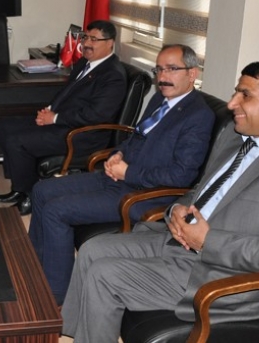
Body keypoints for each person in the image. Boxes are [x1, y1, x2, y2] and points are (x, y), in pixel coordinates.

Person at [61, 61, 259, 343]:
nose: (231, 104)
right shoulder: (234, 135)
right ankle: (75, 334)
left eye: (245, 95)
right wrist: (177, 209)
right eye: (235, 92)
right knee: (92, 249)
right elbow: (201, 189)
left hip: (223, 274)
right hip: (178, 240)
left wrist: (207, 240)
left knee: (104, 274)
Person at [29, 44, 215, 306]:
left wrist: (129, 171)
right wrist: (116, 155)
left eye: (171, 69)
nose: (162, 77)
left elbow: (181, 175)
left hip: (143, 194)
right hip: (118, 177)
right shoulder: (159, 100)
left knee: (55, 210)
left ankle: (55, 295)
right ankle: (36, 267)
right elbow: (135, 138)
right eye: (159, 70)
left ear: (192, 73)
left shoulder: (199, 116)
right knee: (41, 190)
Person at [0, 20, 127, 214]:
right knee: (4, 126)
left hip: (82, 135)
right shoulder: (85, 63)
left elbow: (96, 115)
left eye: (94, 39)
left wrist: (55, 118)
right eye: (85, 37)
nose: (86, 43)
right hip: (65, 122)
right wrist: (48, 111)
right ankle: (18, 188)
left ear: (110, 43)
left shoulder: (112, 75)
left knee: (18, 141)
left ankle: (30, 196)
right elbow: (66, 94)